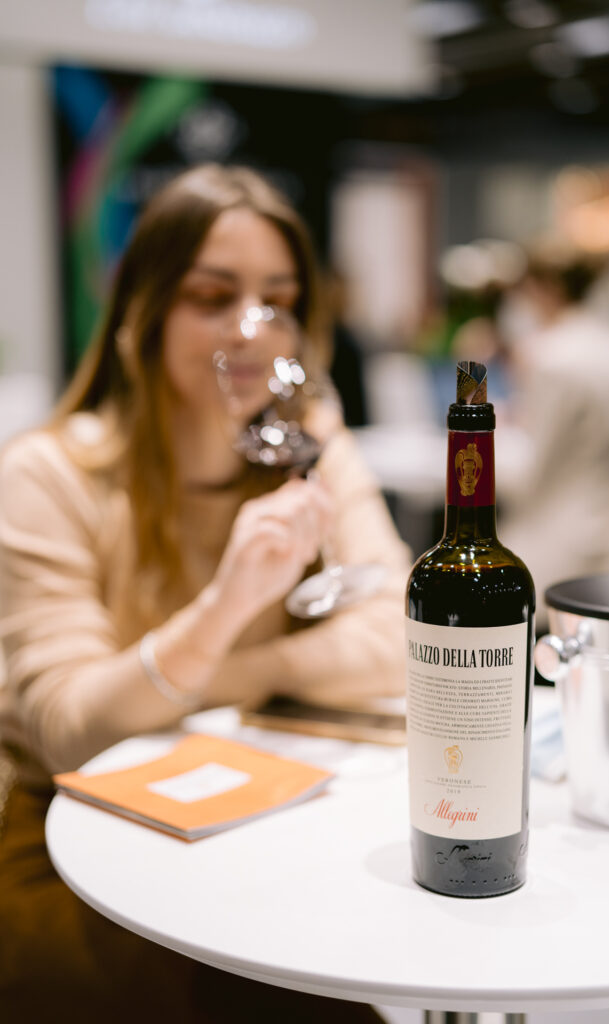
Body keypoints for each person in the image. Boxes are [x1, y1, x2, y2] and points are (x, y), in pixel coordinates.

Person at [0, 163, 410, 1021]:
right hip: (67, 829)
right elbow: (74, 730)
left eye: (278, 300)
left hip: (253, 804)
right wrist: (224, 606)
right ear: (140, 313)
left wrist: (211, 675)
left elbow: (400, 636)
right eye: (212, 297)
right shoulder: (47, 476)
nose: (251, 329)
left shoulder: (307, 442)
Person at [495, 243, 609, 632]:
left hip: (556, 551)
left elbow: (532, 475)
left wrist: (478, 443)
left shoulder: (552, 357)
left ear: (543, 288)